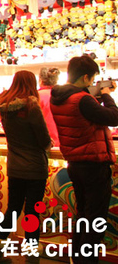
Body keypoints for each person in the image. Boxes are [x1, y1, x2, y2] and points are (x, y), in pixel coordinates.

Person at [50, 55, 118, 264]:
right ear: (87, 77)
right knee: (95, 219)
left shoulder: (58, 97)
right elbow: (114, 117)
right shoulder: (82, 100)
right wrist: (106, 95)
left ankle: (77, 258)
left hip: (75, 164)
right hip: (93, 165)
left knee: (82, 214)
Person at [0, 71, 51, 259]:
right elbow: (43, 139)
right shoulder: (31, 106)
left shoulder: (5, 107)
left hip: (15, 165)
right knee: (32, 211)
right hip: (35, 167)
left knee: (14, 207)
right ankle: (31, 251)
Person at [38, 67, 60, 147]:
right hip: (63, 141)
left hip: (44, 142)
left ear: (41, 80)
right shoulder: (62, 95)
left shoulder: (36, 97)